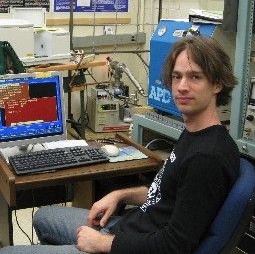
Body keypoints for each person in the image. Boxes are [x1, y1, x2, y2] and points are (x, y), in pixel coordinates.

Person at [0, 35, 240, 254]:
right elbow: (164, 194)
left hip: (129, 246)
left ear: (217, 84)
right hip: (127, 228)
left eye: (194, 77)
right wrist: (120, 195)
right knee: (44, 216)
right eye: (177, 76)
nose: (182, 86)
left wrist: (101, 243)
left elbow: (174, 245)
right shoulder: (194, 133)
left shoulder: (207, 157)